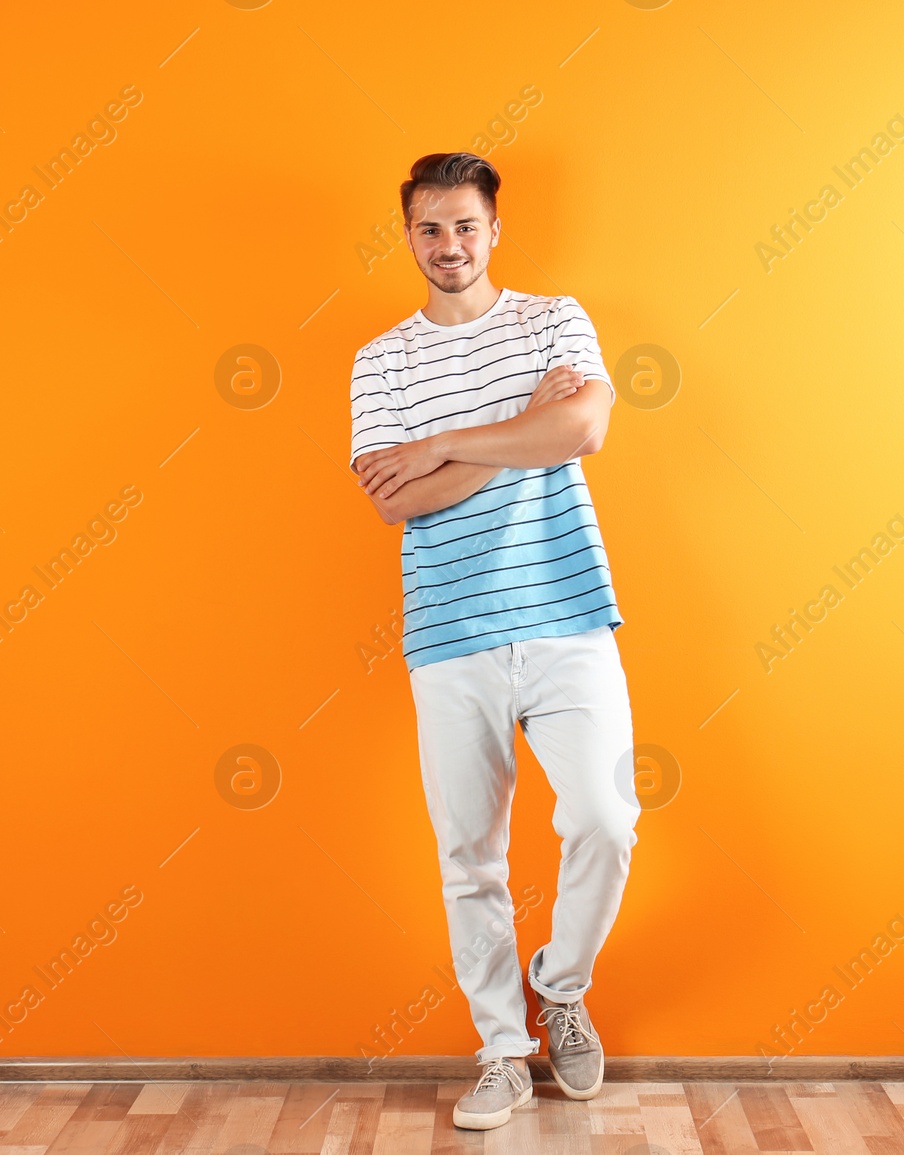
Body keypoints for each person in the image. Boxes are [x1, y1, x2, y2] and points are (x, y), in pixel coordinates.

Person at [348, 152, 641, 1131]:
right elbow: (399, 500)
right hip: (449, 633)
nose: (449, 246)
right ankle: (501, 1052)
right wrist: (521, 424)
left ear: (494, 229)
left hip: (566, 615)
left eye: (465, 226)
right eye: (429, 228)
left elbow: (586, 430)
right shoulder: (379, 360)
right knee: (468, 855)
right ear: (406, 236)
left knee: (605, 818)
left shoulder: (555, 318)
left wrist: (442, 440)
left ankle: (559, 986)